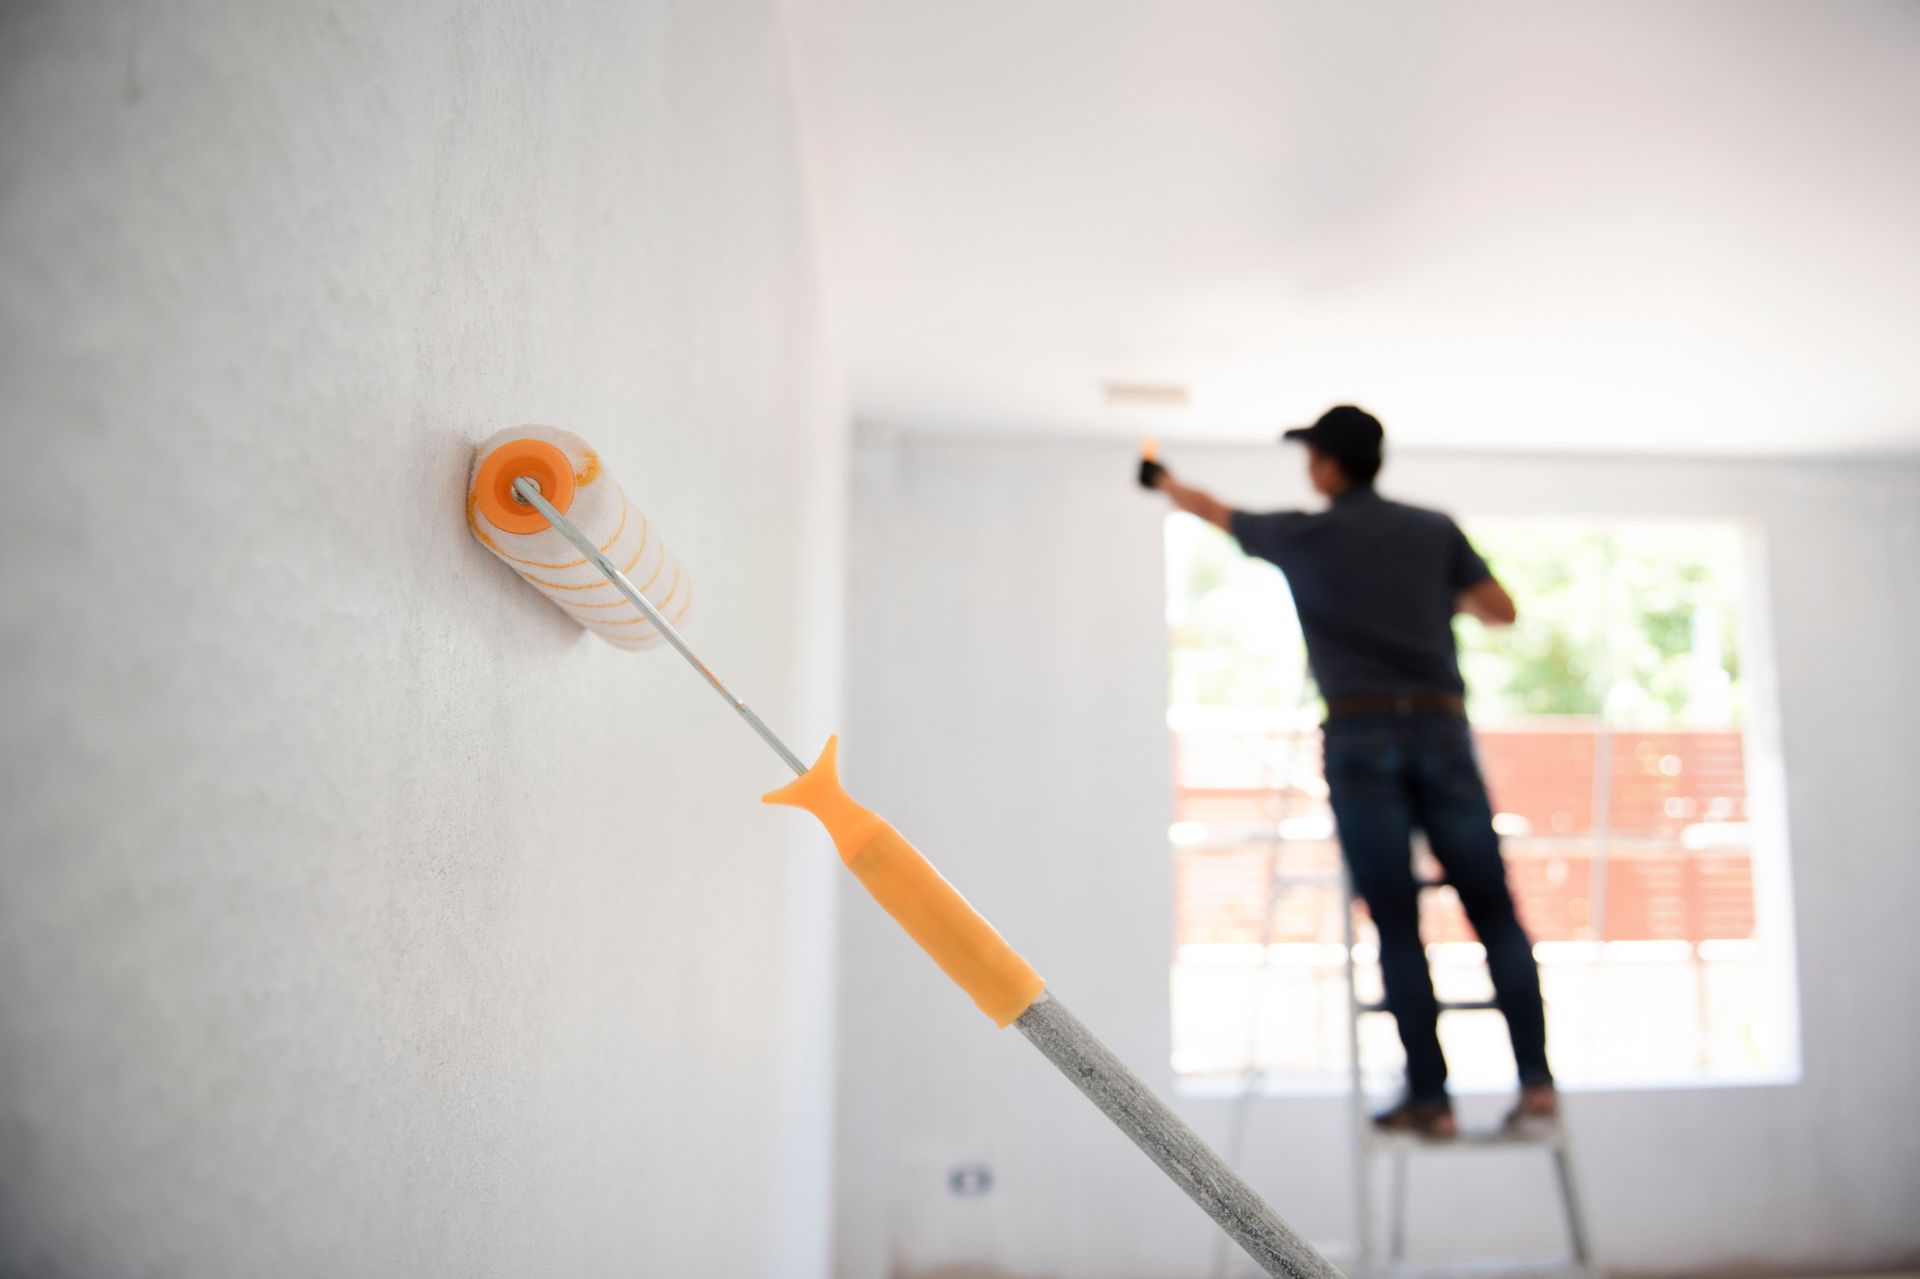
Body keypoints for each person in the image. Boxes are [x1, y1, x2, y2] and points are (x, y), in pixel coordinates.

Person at [1140, 406, 1555, 1137]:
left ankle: (1430, 1100)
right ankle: (1537, 1082)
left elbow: (1211, 509)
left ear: (1330, 466)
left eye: (1312, 456)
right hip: (1439, 726)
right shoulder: (1433, 529)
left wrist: (1163, 478)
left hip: (1360, 733)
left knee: (1396, 920)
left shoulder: (1304, 534)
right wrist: (1425, 596)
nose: (1308, 468)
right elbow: (1501, 611)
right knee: (1492, 909)